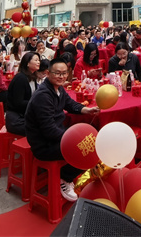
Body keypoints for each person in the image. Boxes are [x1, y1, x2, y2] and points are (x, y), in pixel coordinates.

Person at [24, 57, 100, 202]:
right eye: (57, 73)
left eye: (64, 73)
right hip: (44, 144)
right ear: (48, 73)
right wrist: (72, 140)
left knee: (91, 139)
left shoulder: (58, 89)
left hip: (56, 137)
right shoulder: (43, 96)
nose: (61, 76)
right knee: (84, 148)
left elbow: (70, 104)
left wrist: (86, 110)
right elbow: (49, 130)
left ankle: (72, 172)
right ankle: (65, 178)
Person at [6, 52, 41, 136]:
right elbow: (18, 103)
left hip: (26, 114)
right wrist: (36, 103)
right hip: (17, 119)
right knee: (43, 129)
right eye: (36, 60)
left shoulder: (32, 77)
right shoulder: (21, 78)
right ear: (27, 63)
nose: (38, 62)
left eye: (39, 60)